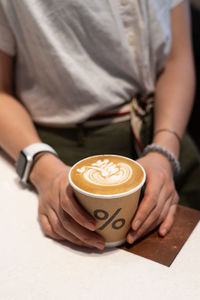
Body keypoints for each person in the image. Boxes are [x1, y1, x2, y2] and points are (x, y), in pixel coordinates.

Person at [0, 0, 199, 250]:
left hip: (168, 141)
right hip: (62, 164)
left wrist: (165, 151)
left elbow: (177, 57)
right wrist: (41, 167)